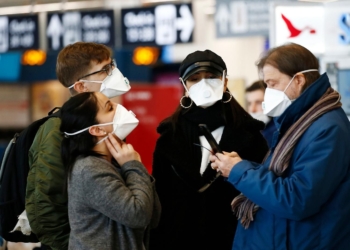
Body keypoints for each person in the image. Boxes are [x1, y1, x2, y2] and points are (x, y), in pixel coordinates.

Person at [210, 43, 350, 249]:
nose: (268, 92)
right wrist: (240, 165)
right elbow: (284, 177)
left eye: (272, 83)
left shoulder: (327, 129)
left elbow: (297, 199)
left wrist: (239, 171)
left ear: (299, 80)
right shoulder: (301, 121)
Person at [150, 50, 269, 250]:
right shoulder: (169, 137)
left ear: (224, 82)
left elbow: (264, 192)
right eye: (194, 79)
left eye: (211, 77)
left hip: (236, 239)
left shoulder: (251, 135)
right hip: (178, 240)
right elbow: (160, 201)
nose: (203, 84)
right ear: (184, 86)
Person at [25, 42, 131, 250]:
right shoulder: (57, 130)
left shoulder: (107, 124)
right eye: (105, 70)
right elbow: (44, 208)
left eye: (112, 66)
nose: (114, 73)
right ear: (81, 86)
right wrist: (77, 245)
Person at [59, 92, 160, 250]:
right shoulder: (88, 169)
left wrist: (131, 166)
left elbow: (152, 216)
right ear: (97, 130)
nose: (120, 108)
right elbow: (138, 215)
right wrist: (133, 166)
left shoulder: (113, 162)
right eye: (110, 108)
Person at [246, 80, 276, 147]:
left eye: (259, 103)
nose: (252, 109)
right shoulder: (253, 132)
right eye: (250, 103)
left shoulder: (277, 133)